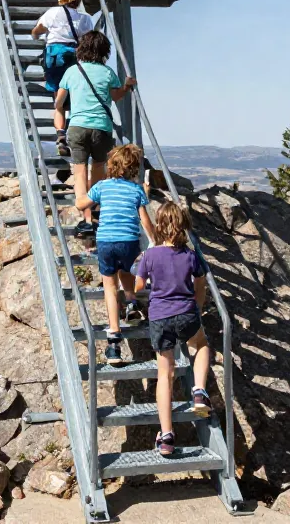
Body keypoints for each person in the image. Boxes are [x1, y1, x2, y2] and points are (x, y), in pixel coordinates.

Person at [134, 202, 213, 458]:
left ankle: (166, 436)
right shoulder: (190, 255)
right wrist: (197, 306)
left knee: (165, 374)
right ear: (184, 226)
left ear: (159, 226)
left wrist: (149, 294)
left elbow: (138, 288)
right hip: (187, 312)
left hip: (160, 317)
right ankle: (199, 392)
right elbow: (201, 280)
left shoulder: (150, 255)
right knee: (200, 345)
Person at [75, 143, 154, 365]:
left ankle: (113, 343)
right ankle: (130, 302)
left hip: (106, 241)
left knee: (110, 288)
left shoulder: (102, 186)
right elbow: (145, 220)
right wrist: (157, 241)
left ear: (111, 165)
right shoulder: (137, 189)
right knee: (127, 270)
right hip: (129, 241)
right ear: (133, 167)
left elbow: (81, 204)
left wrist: (80, 193)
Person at [55, 30, 136, 232]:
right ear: (103, 51)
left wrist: (60, 110)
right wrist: (126, 87)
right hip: (101, 127)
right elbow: (115, 96)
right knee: (98, 169)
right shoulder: (108, 73)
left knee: (80, 171)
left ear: (81, 49)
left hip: (77, 126)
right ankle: (97, 209)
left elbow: (59, 101)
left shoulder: (72, 71)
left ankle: (86, 218)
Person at [31, 0, 94, 158]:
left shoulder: (52, 13)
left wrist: (35, 35)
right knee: (74, 99)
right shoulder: (86, 19)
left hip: (55, 58)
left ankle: (60, 136)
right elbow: (89, 41)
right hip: (74, 58)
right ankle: (77, 136)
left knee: (58, 102)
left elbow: (38, 29)